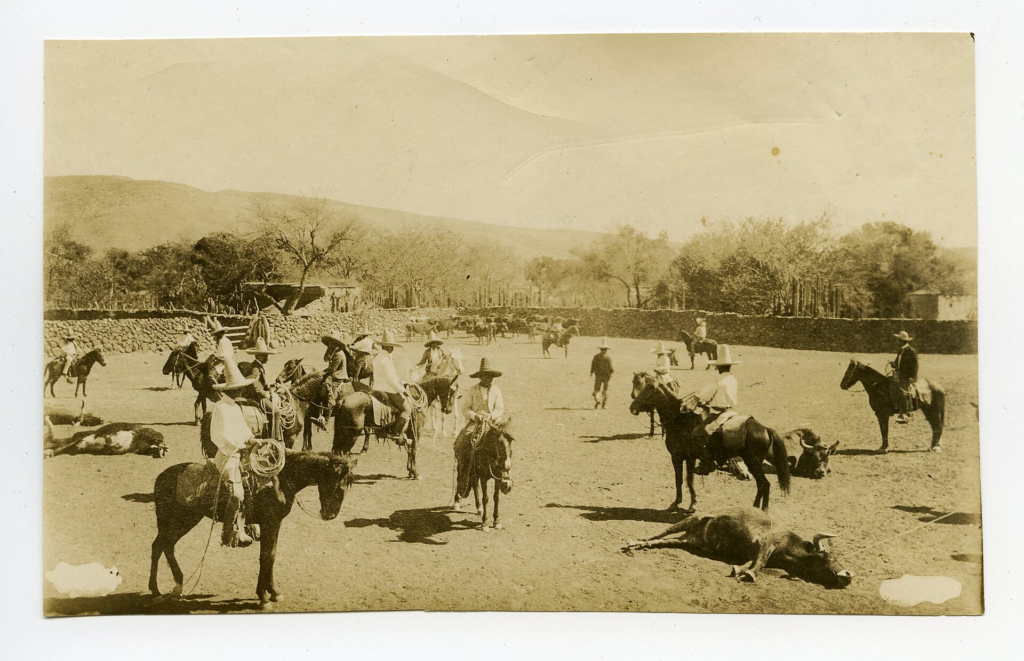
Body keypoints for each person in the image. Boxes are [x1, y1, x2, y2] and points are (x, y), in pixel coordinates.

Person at [209, 356, 259, 547]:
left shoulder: (235, 406)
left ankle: (249, 525)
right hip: (227, 456)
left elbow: (244, 430)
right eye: (239, 387)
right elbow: (221, 437)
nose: (242, 389)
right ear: (231, 389)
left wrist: (254, 439)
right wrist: (241, 445)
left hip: (241, 452)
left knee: (256, 483)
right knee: (236, 494)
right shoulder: (221, 408)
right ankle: (228, 531)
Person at [453, 358, 505, 510]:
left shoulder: (496, 391)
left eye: (489, 376)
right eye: (484, 376)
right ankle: (463, 480)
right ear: (480, 377)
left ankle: (504, 476)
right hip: (475, 423)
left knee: (503, 445)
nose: (486, 379)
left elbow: (500, 408)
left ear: (492, 378)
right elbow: (465, 408)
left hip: (492, 423)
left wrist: (491, 416)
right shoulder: (472, 390)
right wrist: (476, 416)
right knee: (462, 444)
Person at [370, 330, 412, 440]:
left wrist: (403, 382)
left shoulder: (378, 357)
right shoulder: (385, 359)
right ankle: (395, 432)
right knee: (407, 409)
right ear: (388, 347)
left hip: (377, 387)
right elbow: (390, 380)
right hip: (388, 389)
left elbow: (392, 376)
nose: (392, 349)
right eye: (391, 347)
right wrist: (403, 390)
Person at [891, 330, 919, 424]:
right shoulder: (901, 351)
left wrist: (912, 377)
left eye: (898, 340)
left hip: (907, 377)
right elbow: (897, 363)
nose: (897, 342)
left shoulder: (911, 351)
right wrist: (893, 364)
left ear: (903, 341)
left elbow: (915, 365)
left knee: (903, 391)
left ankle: (905, 414)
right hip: (899, 375)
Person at [590, 338, 614, 409]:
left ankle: (597, 400)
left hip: (598, 375)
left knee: (597, 389)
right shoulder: (608, 358)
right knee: (605, 390)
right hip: (607, 376)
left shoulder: (596, 357)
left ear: (600, 349)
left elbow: (593, 365)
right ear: (606, 350)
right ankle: (604, 405)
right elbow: (611, 368)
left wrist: (591, 372)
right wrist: (612, 372)